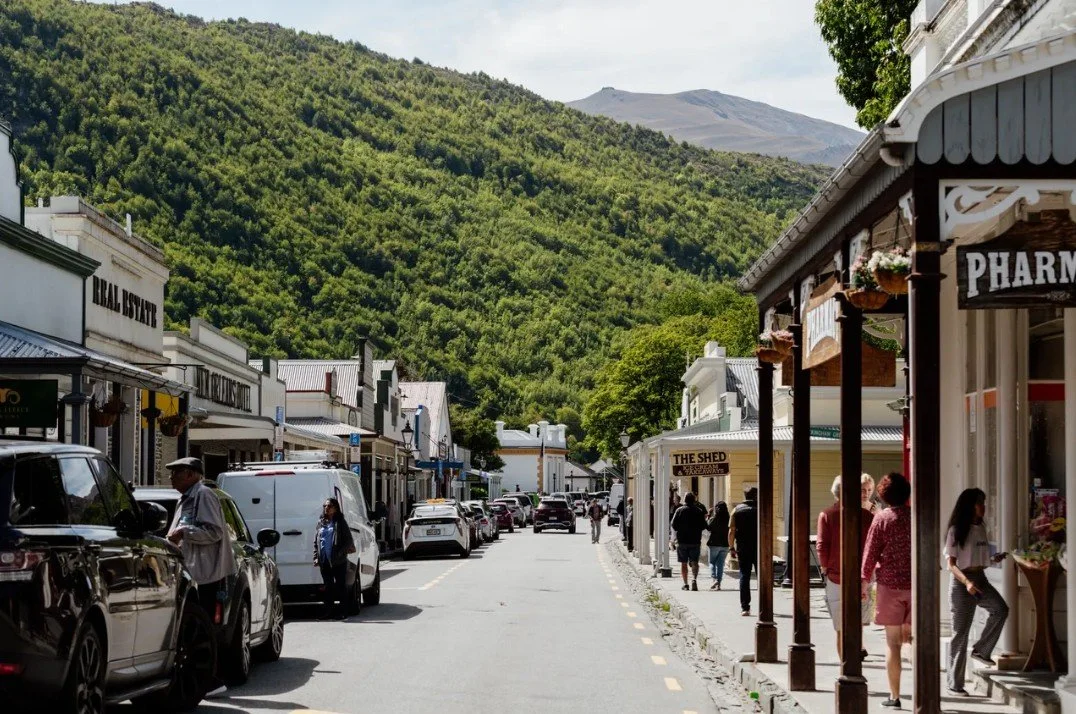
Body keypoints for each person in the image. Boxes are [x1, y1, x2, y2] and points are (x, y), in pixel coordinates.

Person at [164, 457, 236, 697]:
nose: (172, 478)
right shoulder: (186, 498)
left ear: (192, 474)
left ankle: (211, 680)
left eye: (176, 473)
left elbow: (214, 532)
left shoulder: (203, 495)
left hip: (206, 575)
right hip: (191, 574)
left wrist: (185, 532)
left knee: (204, 628)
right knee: (194, 629)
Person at [945, 488, 1009, 695]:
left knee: (1000, 609)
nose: (984, 507)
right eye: (980, 503)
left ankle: (981, 650)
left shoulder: (981, 527)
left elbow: (978, 557)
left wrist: (993, 559)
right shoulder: (955, 530)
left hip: (980, 579)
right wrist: (967, 583)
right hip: (962, 584)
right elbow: (951, 565)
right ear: (969, 506)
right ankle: (955, 684)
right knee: (960, 635)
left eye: (984, 502)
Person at [861, 472, 912, 709]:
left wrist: (863, 582)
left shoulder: (881, 519)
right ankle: (924, 691)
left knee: (893, 644)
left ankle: (895, 696)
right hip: (917, 586)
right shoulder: (916, 517)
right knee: (914, 640)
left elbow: (870, 553)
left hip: (890, 586)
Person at [816, 474, 874, 658]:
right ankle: (855, 660)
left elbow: (822, 545)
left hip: (836, 576)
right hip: (862, 577)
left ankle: (845, 665)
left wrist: (825, 568)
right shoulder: (866, 516)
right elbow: (873, 547)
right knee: (857, 623)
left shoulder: (827, 515)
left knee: (841, 628)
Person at [313, 498, 356, 620]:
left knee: (340, 586)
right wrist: (316, 556)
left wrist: (340, 553)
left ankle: (343, 611)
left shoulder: (340, 522)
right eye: (325, 506)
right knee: (328, 587)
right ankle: (328, 612)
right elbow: (316, 541)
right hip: (324, 560)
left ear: (335, 508)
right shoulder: (321, 522)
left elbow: (348, 541)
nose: (326, 508)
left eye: (329, 506)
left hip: (338, 561)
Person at [728, 487, 758, 615]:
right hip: (759, 547)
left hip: (743, 546)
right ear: (756, 495)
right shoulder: (761, 509)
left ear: (744, 496)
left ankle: (745, 607)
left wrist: (731, 547)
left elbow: (731, 531)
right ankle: (765, 606)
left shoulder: (736, 510)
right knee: (762, 576)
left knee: (744, 576)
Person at [671, 492, 707, 591]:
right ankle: (694, 579)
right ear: (694, 500)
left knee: (683, 563)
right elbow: (704, 526)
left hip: (682, 540)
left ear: (685, 500)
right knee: (695, 561)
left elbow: (673, 525)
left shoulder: (679, 510)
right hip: (695, 540)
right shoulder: (699, 511)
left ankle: (686, 583)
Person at [706, 502, 730, 590]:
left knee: (712, 562)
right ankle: (718, 584)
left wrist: (708, 516)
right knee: (720, 564)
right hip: (725, 544)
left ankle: (714, 579)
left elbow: (708, 528)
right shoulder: (729, 519)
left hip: (714, 543)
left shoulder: (714, 519)